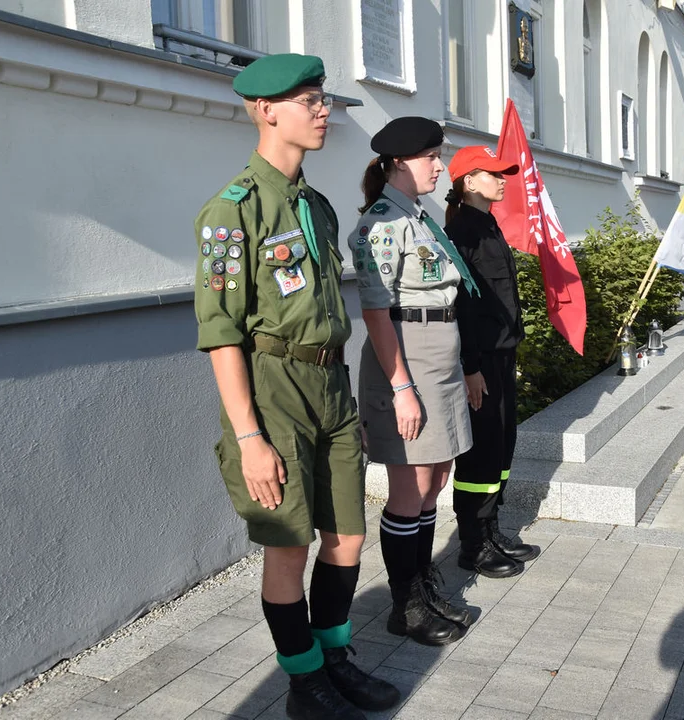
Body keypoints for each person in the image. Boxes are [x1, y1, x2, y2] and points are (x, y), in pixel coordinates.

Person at [193, 54, 398, 720]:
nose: (322, 110)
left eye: (323, 99)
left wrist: (346, 400)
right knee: (289, 544)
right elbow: (222, 334)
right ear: (263, 110)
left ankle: (334, 656)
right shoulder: (231, 212)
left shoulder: (315, 206)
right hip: (272, 387)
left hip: (328, 382)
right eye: (307, 100)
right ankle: (303, 679)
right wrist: (250, 437)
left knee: (346, 538)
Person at [350, 116, 478, 646]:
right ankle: (405, 605)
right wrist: (401, 387)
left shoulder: (418, 216)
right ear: (401, 162)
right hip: (406, 356)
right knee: (409, 486)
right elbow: (378, 314)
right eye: (432, 157)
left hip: (439, 354)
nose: (440, 166)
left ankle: (421, 586)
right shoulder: (381, 224)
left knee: (436, 480)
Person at [443, 145, 541, 579]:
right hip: (481, 362)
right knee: (481, 454)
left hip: (502, 355)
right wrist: (471, 367)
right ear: (468, 181)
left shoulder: (488, 225)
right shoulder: (462, 231)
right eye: (493, 174)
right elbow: (462, 307)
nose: (503, 180)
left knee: (501, 446)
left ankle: (491, 528)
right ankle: (472, 544)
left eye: (504, 173)